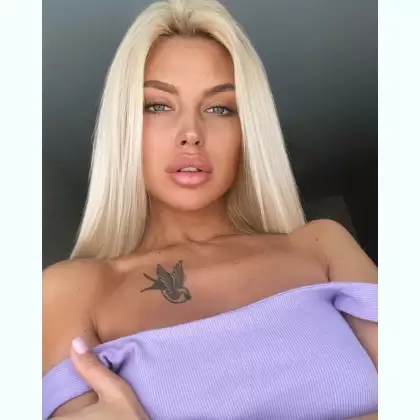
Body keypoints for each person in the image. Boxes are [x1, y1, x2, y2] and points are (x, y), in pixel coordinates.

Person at [42, 0, 378, 419]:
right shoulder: (70, 292)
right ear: (124, 127)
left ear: (247, 130)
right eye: (157, 105)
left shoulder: (323, 246)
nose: (191, 134)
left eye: (220, 108)